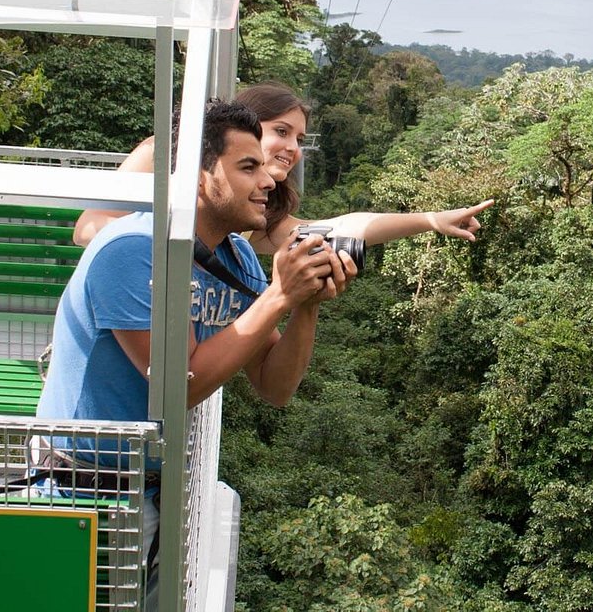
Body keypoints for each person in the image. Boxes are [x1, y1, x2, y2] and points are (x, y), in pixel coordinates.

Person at [35, 99, 355, 607]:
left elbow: (275, 386)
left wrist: (305, 306)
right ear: (200, 176)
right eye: (247, 167)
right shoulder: (135, 249)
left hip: (156, 488)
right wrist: (277, 295)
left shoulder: (237, 258)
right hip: (83, 491)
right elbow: (177, 385)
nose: (268, 181)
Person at [73, 82, 494, 252]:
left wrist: (429, 220)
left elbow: (337, 228)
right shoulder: (162, 154)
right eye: (281, 131)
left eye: (299, 139)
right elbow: (87, 228)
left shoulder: (254, 208)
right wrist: (174, 243)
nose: (293, 148)